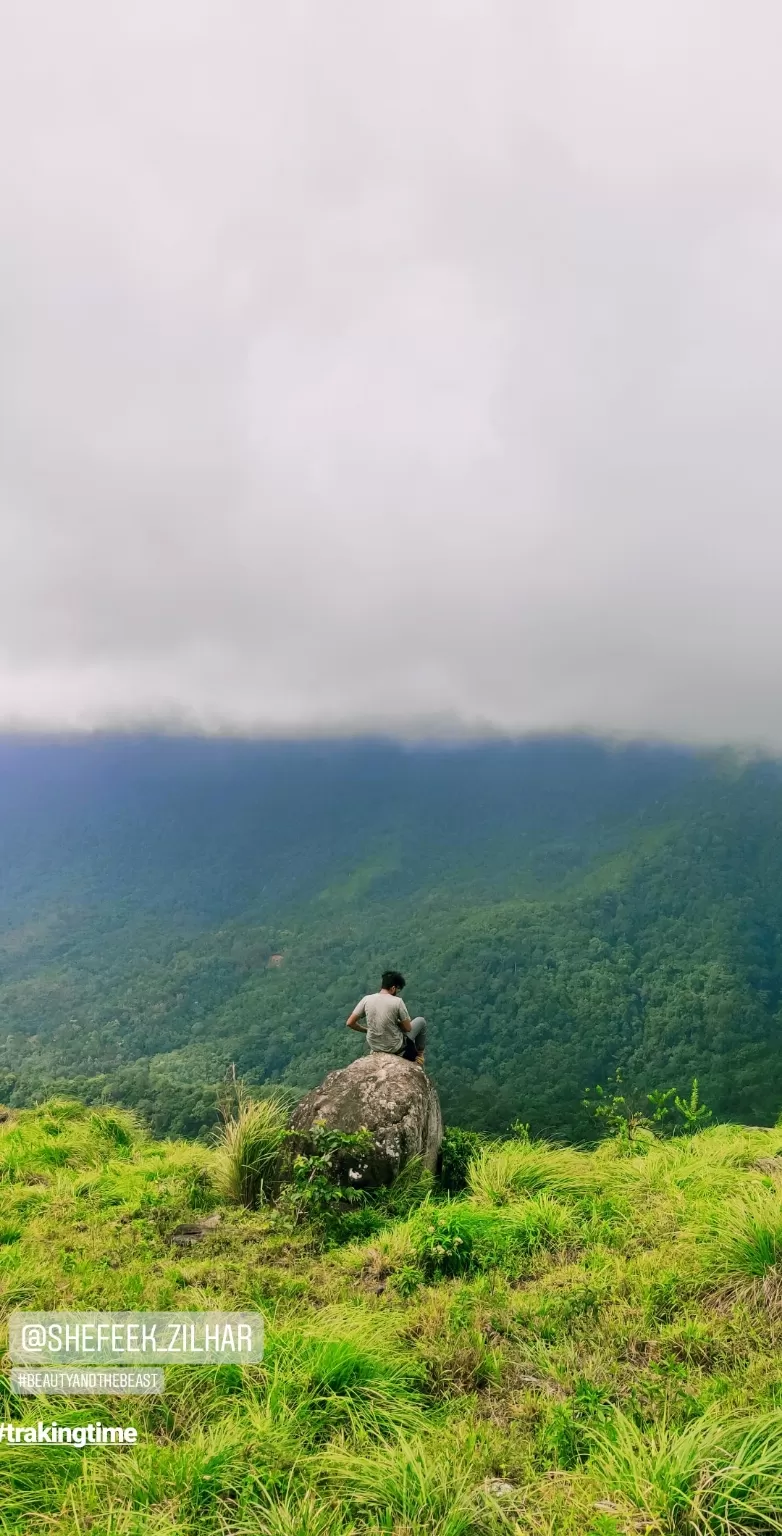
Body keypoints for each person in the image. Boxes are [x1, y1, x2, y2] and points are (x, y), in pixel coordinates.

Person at [346, 970, 427, 1068]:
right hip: (394, 1047)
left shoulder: (366, 999)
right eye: (398, 990)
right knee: (421, 1021)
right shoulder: (397, 1002)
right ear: (393, 988)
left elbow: (350, 1023)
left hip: (375, 1046)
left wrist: (366, 1030)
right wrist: (397, 1023)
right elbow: (408, 1028)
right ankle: (420, 1056)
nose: (397, 993)